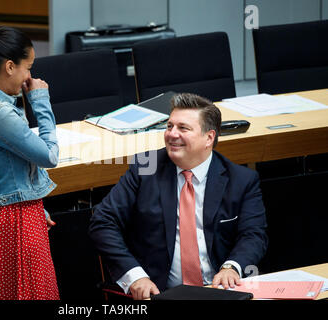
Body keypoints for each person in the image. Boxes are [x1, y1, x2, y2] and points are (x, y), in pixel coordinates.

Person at [89, 93, 268, 300]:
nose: (172, 134)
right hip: (159, 293)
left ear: (209, 137)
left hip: (218, 291)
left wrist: (232, 267)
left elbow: (253, 235)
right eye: (169, 126)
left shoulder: (241, 180)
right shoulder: (146, 168)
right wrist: (135, 276)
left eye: (183, 128)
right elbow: (103, 222)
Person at [0, 17, 60, 300]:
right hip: (14, 224)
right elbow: (50, 156)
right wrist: (41, 102)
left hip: (0, 215)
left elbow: (6, 169)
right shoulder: (0, 113)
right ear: (9, 67)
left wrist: (34, 207)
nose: (30, 78)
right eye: (28, 68)